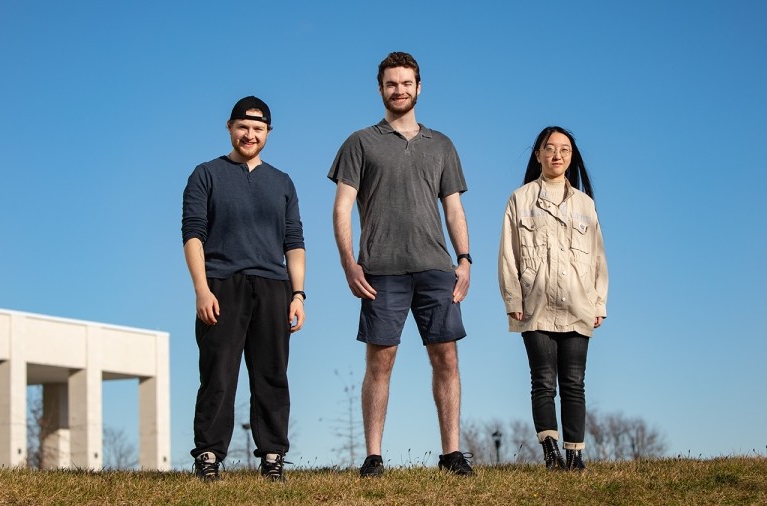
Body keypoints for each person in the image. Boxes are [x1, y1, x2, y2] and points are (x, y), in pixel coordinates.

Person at [328, 51, 474, 477]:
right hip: (381, 267)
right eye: (391, 84)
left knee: (446, 357)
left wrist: (464, 259)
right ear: (380, 89)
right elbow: (342, 208)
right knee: (381, 360)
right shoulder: (360, 142)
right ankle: (373, 457)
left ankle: (451, 454)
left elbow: (454, 210)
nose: (399, 90)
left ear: (419, 87)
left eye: (406, 83)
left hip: (435, 266)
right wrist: (348, 262)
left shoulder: (442, 145)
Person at [182, 96, 306, 482]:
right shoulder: (206, 174)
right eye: (243, 127)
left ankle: (272, 458)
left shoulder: (282, 182)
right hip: (221, 284)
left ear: (268, 132)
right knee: (218, 374)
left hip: (274, 287)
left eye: (258, 128)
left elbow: (294, 242)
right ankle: (208, 457)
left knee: (272, 374)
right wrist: (202, 289)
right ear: (230, 128)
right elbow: (193, 234)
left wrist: (298, 294)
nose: (249, 134)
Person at [498, 126, 608, 473]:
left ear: (571, 157)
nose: (557, 155)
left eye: (564, 149)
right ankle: (550, 453)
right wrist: (513, 298)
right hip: (534, 304)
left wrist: (599, 302)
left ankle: (575, 455)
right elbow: (507, 255)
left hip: (578, 304)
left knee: (574, 381)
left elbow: (598, 258)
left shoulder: (585, 205)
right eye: (550, 148)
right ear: (538, 155)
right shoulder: (520, 199)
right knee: (543, 381)